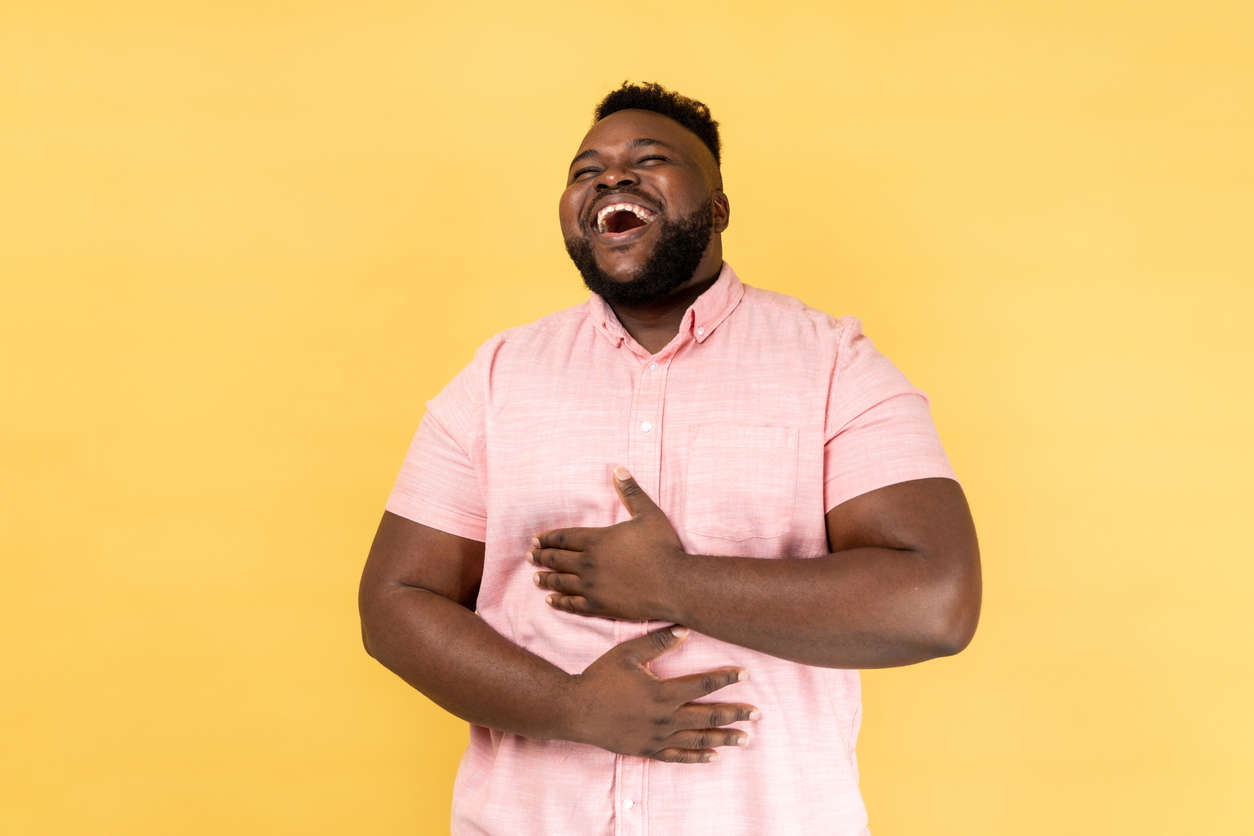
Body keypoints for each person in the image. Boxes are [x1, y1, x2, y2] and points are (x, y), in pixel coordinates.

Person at [359, 81, 981, 836]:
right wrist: (567, 707)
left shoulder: (832, 364)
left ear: (718, 208)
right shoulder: (497, 376)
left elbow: (935, 602)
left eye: (648, 159)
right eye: (586, 170)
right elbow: (394, 601)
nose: (611, 177)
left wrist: (669, 582)